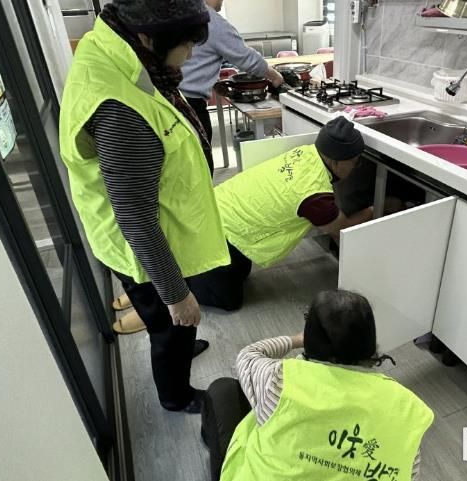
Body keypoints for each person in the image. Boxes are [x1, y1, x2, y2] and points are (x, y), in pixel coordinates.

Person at [59, 0, 231, 413]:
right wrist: (177, 295)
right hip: (141, 244)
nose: (191, 54)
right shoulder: (120, 110)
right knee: (170, 323)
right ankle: (176, 395)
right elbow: (136, 219)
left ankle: (181, 343)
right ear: (148, 38)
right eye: (186, 45)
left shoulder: (119, 55)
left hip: (154, 227)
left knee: (177, 324)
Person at [201, 289, 434, 481]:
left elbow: (249, 354)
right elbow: (409, 473)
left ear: (311, 338)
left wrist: (296, 340)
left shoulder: (278, 380)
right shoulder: (408, 409)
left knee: (223, 389)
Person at [188, 117, 375, 311]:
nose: (356, 167)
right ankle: (181, 274)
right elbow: (343, 229)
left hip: (216, 208)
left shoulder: (305, 152)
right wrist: (374, 209)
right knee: (229, 302)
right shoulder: (315, 195)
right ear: (336, 161)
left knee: (242, 272)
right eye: (355, 162)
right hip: (217, 232)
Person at [180, 0, 284, 174]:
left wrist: (211, 82)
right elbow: (247, 58)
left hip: (172, 101)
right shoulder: (210, 19)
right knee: (199, 170)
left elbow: (192, 63)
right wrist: (275, 76)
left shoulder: (184, 12)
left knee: (186, 169)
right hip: (190, 107)